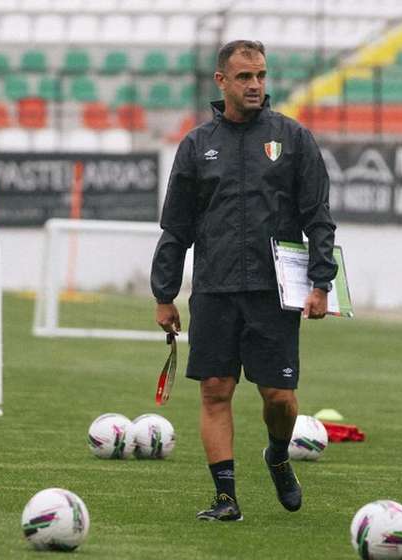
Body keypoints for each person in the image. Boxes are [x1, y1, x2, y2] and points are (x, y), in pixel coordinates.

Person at [151, 40, 337, 521]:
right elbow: (177, 227)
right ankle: (226, 497)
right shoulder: (196, 146)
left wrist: (322, 282)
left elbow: (319, 218)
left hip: (275, 293)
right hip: (213, 290)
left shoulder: (293, 139)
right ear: (221, 81)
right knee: (215, 390)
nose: (255, 85)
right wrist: (164, 294)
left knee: (280, 398)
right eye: (244, 77)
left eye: (261, 76)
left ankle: (277, 454)